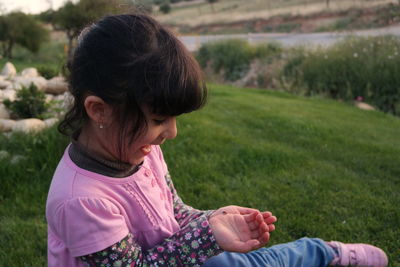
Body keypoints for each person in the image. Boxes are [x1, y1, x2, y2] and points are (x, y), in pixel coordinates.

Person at [45, 13, 388, 267]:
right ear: (99, 110)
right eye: (159, 119)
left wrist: (212, 220)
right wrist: (206, 238)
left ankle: (323, 253)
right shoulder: (81, 201)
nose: (172, 132)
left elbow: (174, 213)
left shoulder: (139, 150)